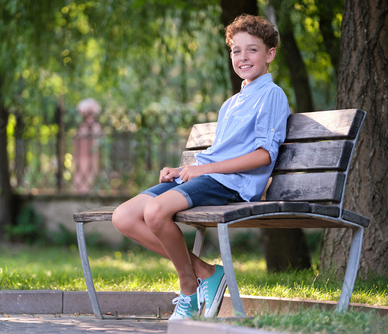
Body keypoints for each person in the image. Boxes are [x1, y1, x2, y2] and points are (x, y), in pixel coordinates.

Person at [112, 14, 290, 321]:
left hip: (232, 183)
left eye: (252, 50)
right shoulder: (231, 103)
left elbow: (263, 156)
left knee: (155, 212)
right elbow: (219, 153)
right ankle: (207, 273)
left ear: (269, 54)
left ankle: (188, 289)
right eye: (236, 50)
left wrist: (203, 171)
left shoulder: (271, 96)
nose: (243, 57)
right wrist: (184, 169)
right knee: (124, 217)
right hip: (211, 176)